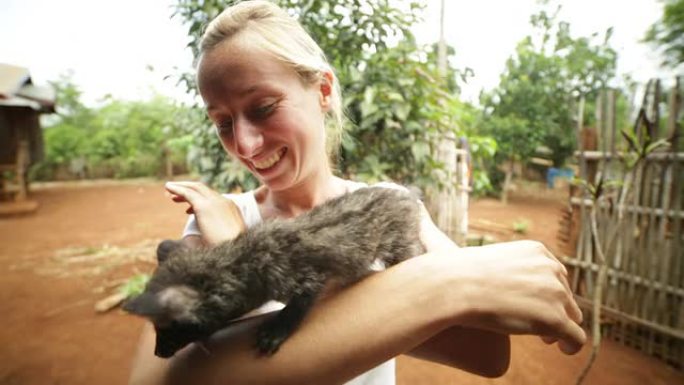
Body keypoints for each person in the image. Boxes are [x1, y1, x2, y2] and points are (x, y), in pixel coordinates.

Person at [128, 1, 586, 384]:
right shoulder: (217, 222)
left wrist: (247, 264)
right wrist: (446, 285)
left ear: (323, 90)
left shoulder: (387, 203)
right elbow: (158, 379)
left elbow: (487, 355)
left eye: (264, 108)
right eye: (223, 123)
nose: (245, 144)